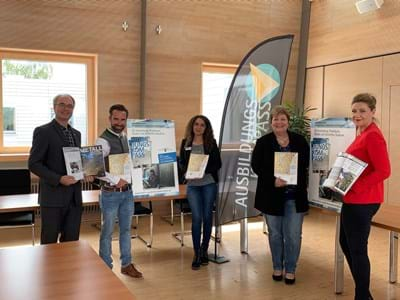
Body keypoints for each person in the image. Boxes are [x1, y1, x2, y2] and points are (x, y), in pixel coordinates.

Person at [339, 93, 390, 300]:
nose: (357, 115)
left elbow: (384, 171)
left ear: (373, 112)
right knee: (346, 243)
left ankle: (362, 296)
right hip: (352, 199)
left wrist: (356, 186)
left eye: (362, 111)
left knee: (358, 250)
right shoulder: (361, 132)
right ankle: (365, 294)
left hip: (363, 200)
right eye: (354, 111)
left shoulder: (373, 135)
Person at [251, 106, 309, 284]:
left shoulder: (299, 140)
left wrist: (293, 174)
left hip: (294, 196)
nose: (279, 122)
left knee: (293, 235)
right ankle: (277, 266)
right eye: (275, 119)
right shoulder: (263, 142)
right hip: (271, 196)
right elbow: (256, 166)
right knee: (275, 234)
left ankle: (290, 268)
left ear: (288, 122)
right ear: (271, 122)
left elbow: (306, 163)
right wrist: (272, 180)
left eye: (283, 119)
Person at [95, 104, 143, 278]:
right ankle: (105, 267)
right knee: (107, 231)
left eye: (123, 119)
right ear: (109, 118)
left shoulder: (125, 137)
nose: (119, 122)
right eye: (116, 119)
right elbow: (94, 168)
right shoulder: (102, 141)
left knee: (126, 230)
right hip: (110, 193)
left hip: (127, 193)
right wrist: (116, 180)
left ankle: (126, 264)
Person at [29, 94, 83, 244]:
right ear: (54, 107)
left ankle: (68, 269)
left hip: (74, 199)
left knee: (71, 242)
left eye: (70, 106)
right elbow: (33, 164)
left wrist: (87, 173)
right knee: (49, 243)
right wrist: (59, 179)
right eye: (62, 104)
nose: (66, 109)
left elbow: (77, 163)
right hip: (53, 198)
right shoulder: (43, 131)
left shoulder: (77, 134)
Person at [179, 115, 222, 270]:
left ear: (206, 128)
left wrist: (202, 170)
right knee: (196, 218)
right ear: (192, 126)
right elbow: (182, 163)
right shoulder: (186, 143)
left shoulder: (211, 143)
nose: (198, 127)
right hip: (193, 186)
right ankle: (196, 252)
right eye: (196, 124)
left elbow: (218, 163)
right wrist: (187, 172)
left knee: (207, 216)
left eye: (202, 125)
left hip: (208, 183)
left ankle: (204, 250)